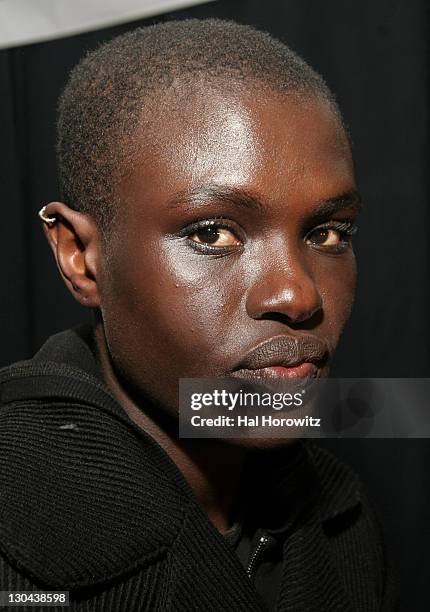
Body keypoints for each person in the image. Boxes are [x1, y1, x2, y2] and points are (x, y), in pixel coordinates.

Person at [0, 19, 397, 611]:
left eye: (328, 232)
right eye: (212, 233)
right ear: (82, 258)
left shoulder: (346, 523)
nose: (298, 295)